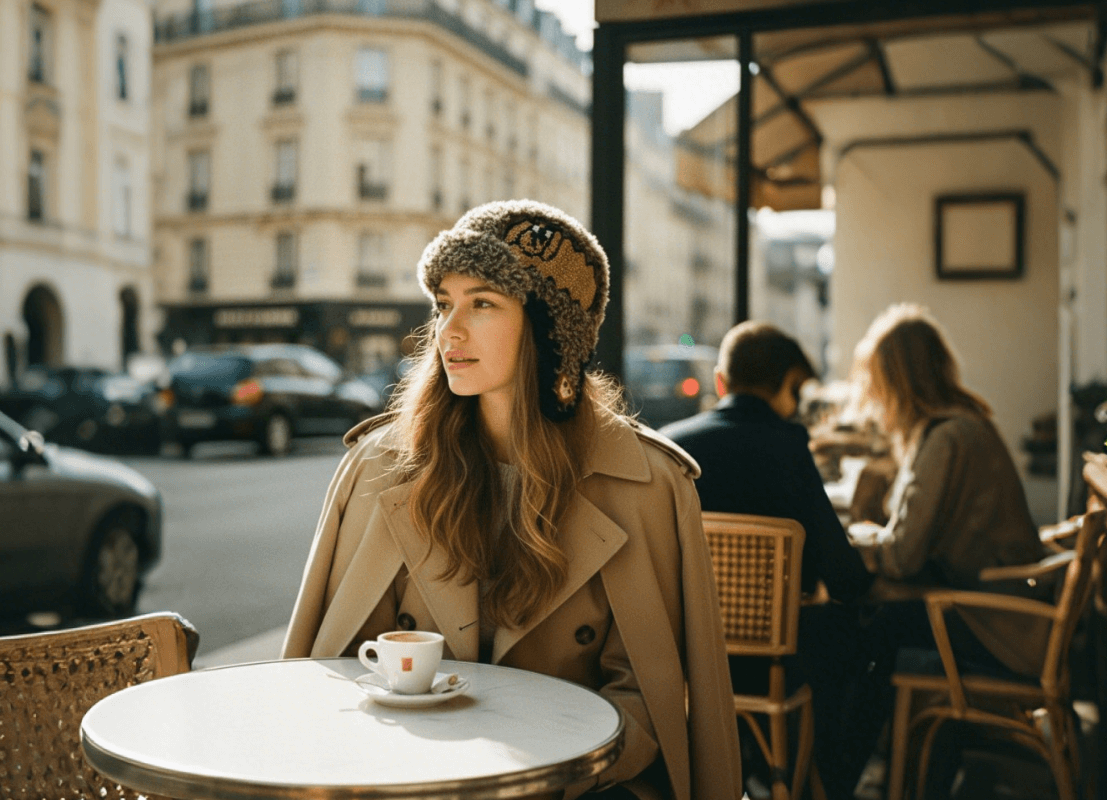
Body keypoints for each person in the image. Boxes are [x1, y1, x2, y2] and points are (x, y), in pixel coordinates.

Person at [283, 200, 741, 800]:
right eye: (444, 303)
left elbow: (647, 698)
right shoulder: (379, 467)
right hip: (407, 777)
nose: (448, 331)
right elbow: (334, 672)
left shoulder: (648, 485)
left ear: (549, 331)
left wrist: (536, 774)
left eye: (482, 303)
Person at [660, 321, 877, 799]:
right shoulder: (789, 446)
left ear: (720, 382)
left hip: (684, 656)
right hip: (773, 662)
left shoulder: (670, 445)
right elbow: (842, 576)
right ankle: (821, 783)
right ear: (788, 387)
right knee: (865, 638)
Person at [845, 303, 1051, 678]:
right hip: (1011, 608)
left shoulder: (945, 438)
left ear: (896, 382)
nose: (872, 396)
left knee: (857, 622)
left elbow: (903, 557)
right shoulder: (966, 424)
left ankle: (855, 738)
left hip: (993, 623)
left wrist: (857, 537)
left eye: (876, 382)